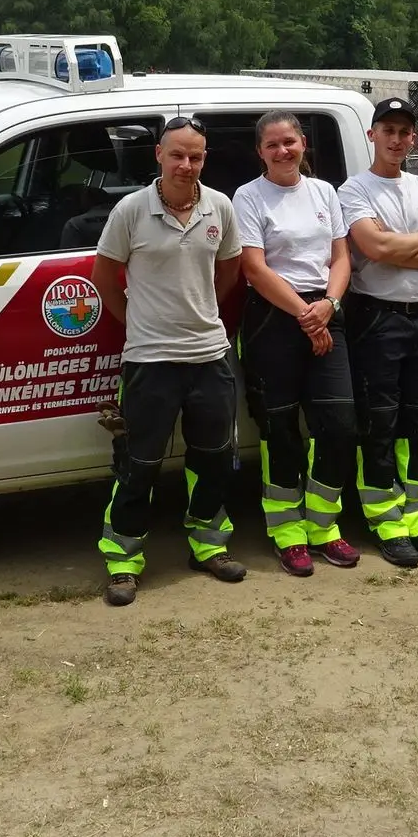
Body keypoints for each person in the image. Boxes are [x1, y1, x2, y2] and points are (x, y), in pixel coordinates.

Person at [90, 117, 246, 607]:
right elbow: (104, 276)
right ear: (159, 155)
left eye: (195, 156)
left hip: (209, 356)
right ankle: (123, 560)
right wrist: (137, 320)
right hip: (150, 359)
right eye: (177, 154)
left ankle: (209, 546)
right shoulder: (131, 210)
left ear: (204, 159)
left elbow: (228, 270)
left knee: (213, 459)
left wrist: (199, 311)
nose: (186, 165)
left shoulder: (220, 206)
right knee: (138, 463)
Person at [232, 111, 362, 577]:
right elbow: (254, 267)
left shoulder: (324, 192)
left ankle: (324, 527)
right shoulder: (248, 196)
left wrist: (328, 304)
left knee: (340, 425)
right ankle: (287, 531)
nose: (282, 151)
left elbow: (341, 258)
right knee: (280, 430)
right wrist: (306, 315)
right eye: (272, 145)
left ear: (303, 143)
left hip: (325, 310)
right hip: (274, 317)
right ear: (260, 152)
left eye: (289, 141)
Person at [337, 98, 418, 568]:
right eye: (387, 130)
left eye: (404, 132)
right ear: (372, 135)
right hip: (377, 318)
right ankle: (386, 521)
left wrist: (398, 245)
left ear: (415, 139)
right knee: (380, 422)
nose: (396, 139)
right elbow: (374, 246)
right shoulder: (354, 189)